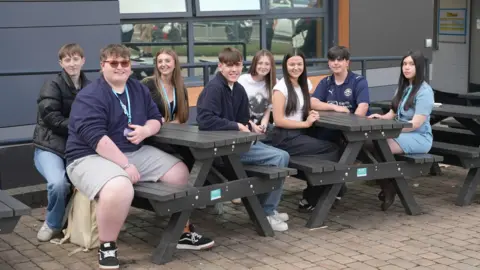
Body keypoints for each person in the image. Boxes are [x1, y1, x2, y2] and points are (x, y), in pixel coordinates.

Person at [65, 44, 213, 270]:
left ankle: (182, 231)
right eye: (113, 63)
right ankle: (108, 246)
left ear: (130, 66)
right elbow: (95, 138)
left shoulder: (138, 89)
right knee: (120, 186)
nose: (120, 67)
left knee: (180, 172)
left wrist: (146, 130)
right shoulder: (90, 95)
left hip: (133, 150)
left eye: (124, 63)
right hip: (88, 156)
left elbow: (156, 118)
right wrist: (125, 165)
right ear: (103, 65)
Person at [196, 47, 291, 232]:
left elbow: (242, 118)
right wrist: (236, 126)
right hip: (221, 151)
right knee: (280, 158)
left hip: (238, 145)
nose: (234, 69)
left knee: (283, 157)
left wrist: (247, 127)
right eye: (229, 65)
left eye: (237, 65)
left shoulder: (238, 89)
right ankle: (267, 212)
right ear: (220, 66)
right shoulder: (214, 89)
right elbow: (205, 120)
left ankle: (266, 209)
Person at [33, 43, 90, 242]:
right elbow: (52, 119)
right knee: (58, 183)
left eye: (76, 59)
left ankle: (86, 224)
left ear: (83, 60)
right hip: (50, 146)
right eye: (67, 60)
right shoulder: (52, 85)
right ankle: (52, 224)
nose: (72, 64)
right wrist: (83, 127)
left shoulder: (91, 87)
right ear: (61, 63)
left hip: (78, 147)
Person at [269, 51, 339, 213]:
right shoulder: (280, 89)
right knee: (333, 149)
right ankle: (325, 188)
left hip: (298, 134)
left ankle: (319, 188)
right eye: (292, 64)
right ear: (285, 66)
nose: (296, 68)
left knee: (332, 142)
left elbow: (306, 106)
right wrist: (305, 123)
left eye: (299, 64)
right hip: (283, 136)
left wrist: (311, 113)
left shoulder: (305, 83)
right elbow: (279, 120)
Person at [368, 50, 434, 210]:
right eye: (404, 64)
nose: (407, 68)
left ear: (419, 67)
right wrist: (381, 118)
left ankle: (390, 184)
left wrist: (391, 131)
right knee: (367, 144)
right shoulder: (403, 87)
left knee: (376, 144)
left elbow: (416, 123)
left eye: (411, 64)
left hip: (418, 137)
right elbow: (393, 113)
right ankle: (388, 184)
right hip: (398, 133)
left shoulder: (425, 91)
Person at [308, 45, 371, 204]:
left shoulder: (358, 81)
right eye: (332, 60)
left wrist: (351, 128)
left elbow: (363, 106)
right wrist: (334, 107)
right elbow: (313, 102)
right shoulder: (326, 81)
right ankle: (326, 188)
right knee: (313, 146)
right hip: (330, 130)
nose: (336, 63)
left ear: (347, 62)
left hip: (351, 133)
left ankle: (328, 190)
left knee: (340, 152)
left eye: (339, 60)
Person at [141, 48, 189, 124]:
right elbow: (139, 113)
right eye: (160, 61)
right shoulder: (147, 84)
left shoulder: (180, 87)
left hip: (172, 131)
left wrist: (167, 127)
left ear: (175, 64)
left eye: (167, 61)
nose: (163, 64)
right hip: (151, 131)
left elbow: (181, 117)